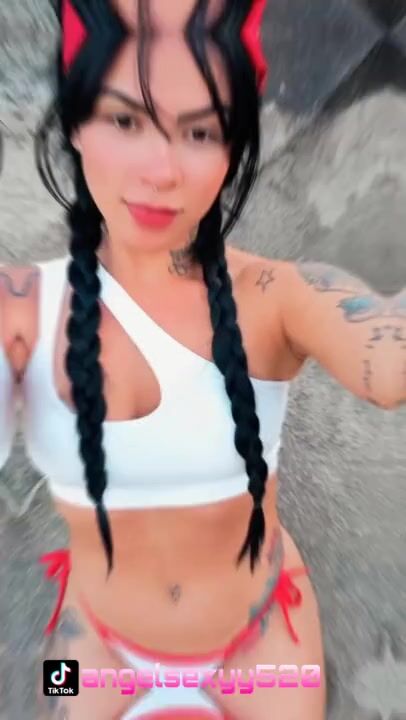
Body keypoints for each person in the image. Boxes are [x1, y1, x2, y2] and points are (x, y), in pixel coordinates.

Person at [2, 0, 403, 717]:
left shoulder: (275, 295)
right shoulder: (21, 309)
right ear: (77, 125)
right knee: (52, 697)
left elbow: (383, 351)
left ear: (232, 149)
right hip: (93, 649)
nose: (160, 170)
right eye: (126, 121)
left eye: (199, 132)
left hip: (266, 646)